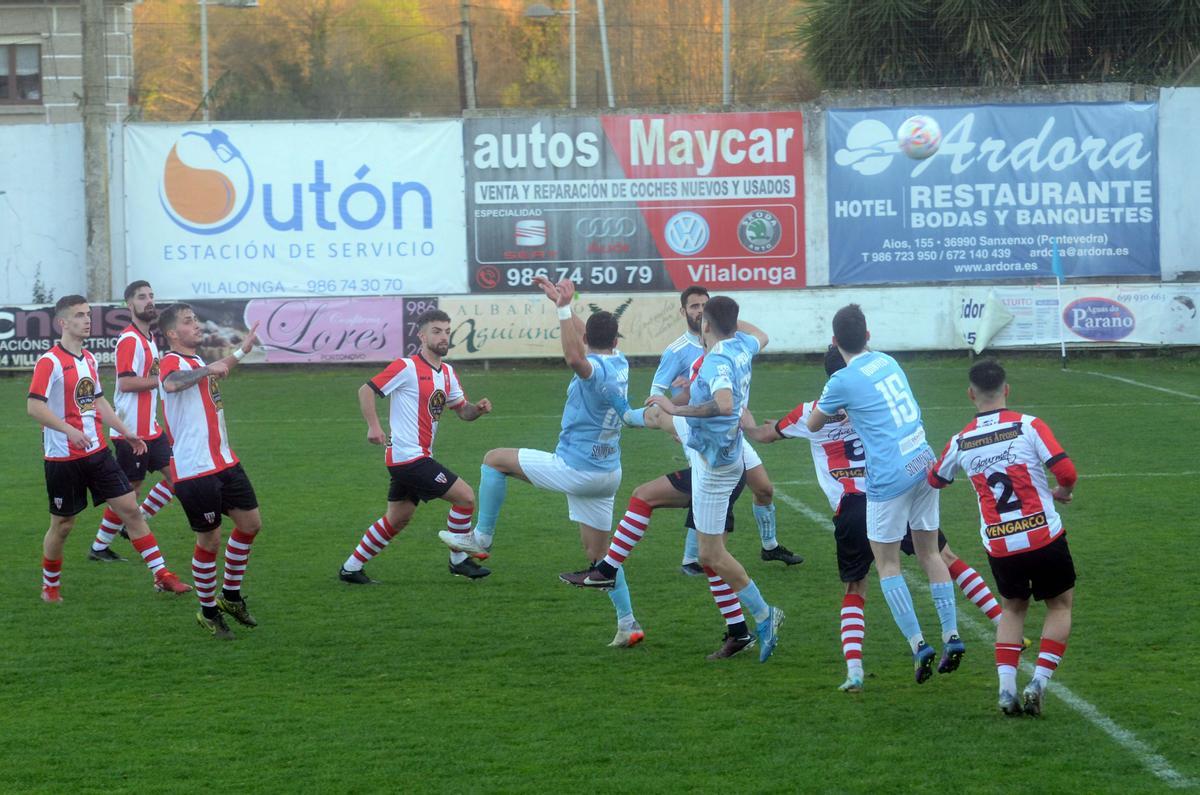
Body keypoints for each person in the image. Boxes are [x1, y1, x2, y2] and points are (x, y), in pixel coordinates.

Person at [748, 346, 1011, 690]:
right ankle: (1004, 626)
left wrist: (746, 420)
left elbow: (768, 434)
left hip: (858, 504)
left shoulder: (810, 411)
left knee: (858, 586)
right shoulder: (874, 401)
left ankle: (856, 670)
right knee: (941, 556)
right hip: (902, 481)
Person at [564, 296, 785, 662]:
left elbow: (725, 404)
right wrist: (725, 327)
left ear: (706, 325)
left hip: (714, 459)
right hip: (714, 450)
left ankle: (763, 615)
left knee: (711, 554)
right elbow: (760, 335)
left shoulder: (717, 359)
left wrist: (675, 406)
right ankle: (606, 568)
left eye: (703, 315)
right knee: (703, 550)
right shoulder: (742, 344)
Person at [443, 276, 644, 648]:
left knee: (494, 460)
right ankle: (628, 623)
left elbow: (575, 356)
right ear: (616, 341)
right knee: (601, 558)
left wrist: (565, 307)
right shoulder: (621, 363)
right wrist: (562, 307)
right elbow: (587, 340)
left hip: (576, 469)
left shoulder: (593, 371)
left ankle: (480, 537)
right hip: (608, 474)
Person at [806, 304, 962, 684]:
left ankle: (918, 644)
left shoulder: (839, 380)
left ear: (833, 341)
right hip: (925, 461)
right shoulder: (886, 361)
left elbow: (814, 422)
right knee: (929, 553)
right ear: (868, 335)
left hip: (889, 476)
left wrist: (835, 406)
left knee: (887, 563)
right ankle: (952, 635)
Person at [930, 359, 1078, 717]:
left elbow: (936, 479)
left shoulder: (961, 440)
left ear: (971, 394)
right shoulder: (1029, 426)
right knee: (1059, 606)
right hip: (1043, 536)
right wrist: (1061, 490)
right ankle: (1038, 682)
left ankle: (1006, 690)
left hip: (1000, 543)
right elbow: (1067, 471)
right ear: (1006, 390)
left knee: (1012, 609)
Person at [27, 295, 190, 603]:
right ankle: (50, 586)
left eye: (88, 314)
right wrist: (68, 429)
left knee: (130, 509)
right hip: (63, 458)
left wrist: (126, 431)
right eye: (79, 315)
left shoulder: (88, 359)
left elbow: (98, 401)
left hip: (98, 453)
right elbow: (34, 406)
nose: (87, 320)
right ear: (63, 323)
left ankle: (162, 575)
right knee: (62, 526)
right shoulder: (50, 362)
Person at [651, 285, 801, 573]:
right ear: (683, 311)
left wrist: (728, 322)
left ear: (708, 318)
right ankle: (693, 558)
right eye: (693, 306)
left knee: (764, 488)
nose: (697, 311)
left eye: (703, 306)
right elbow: (658, 396)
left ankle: (769, 547)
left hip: (732, 430)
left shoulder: (732, 343)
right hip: (701, 430)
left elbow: (757, 340)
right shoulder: (677, 351)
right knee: (714, 491)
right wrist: (674, 416)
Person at [338, 309, 493, 584]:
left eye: (447, 331)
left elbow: (462, 411)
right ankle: (458, 560)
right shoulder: (406, 366)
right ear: (422, 336)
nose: (443, 336)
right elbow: (366, 390)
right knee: (465, 497)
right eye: (436, 331)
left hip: (415, 457)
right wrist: (374, 426)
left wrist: (477, 410)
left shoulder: (447, 373)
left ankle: (350, 569)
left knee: (397, 519)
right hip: (408, 457)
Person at [158, 303, 262, 639]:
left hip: (224, 460)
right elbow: (173, 384)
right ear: (173, 333)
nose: (197, 325)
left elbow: (216, 368)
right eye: (188, 322)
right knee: (210, 539)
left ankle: (230, 596)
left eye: (196, 320)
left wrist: (241, 351)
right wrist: (208, 370)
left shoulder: (197, 362)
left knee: (250, 524)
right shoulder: (172, 361)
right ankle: (207, 611)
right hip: (195, 468)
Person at [88, 280, 179, 562]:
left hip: (151, 429)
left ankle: (134, 524)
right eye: (142, 297)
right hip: (131, 431)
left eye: (151, 295)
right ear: (130, 304)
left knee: (180, 476)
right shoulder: (129, 340)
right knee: (128, 492)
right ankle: (100, 547)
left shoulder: (149, 338)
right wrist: (163, 380)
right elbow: (126, 383)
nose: (149, 301)